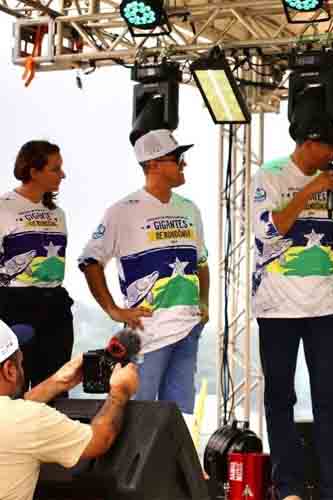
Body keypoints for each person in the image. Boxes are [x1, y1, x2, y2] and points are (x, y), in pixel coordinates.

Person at [251, 118, 333, 500]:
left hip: (325, 305)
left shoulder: (332, 182)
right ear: (310, 142)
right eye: (331, 146)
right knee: (280, 398)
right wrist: (309, 190)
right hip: (277, 307)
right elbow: (269, 230)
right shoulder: (270, 175)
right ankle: (287, 487)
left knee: (328, 397)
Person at [78, 129, 209, 417]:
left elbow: (201, 262)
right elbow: (90, 261)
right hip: (148, 335)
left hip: (188, 329)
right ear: (153, 164)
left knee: (178, 417)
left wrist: (204, 303)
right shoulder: (122, 211)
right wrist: (113, 310)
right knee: (137, 417)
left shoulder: (190, 209)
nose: (184, 163)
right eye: (177, 158)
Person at [0, 319, 139, 500]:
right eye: (20, 362)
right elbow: (98, 440)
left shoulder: (17, 418)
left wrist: (56, 383)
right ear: (10, 370)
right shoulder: (27, 419)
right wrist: (119, 394)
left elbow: (11, 414)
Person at [0, 141, 75, 393]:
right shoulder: (4, 207)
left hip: (55, 306)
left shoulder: (58, 214)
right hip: (14, 304)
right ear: (33, 171)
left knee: (57, 386)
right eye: (55, 169)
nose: (62, 174)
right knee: (14, 386)